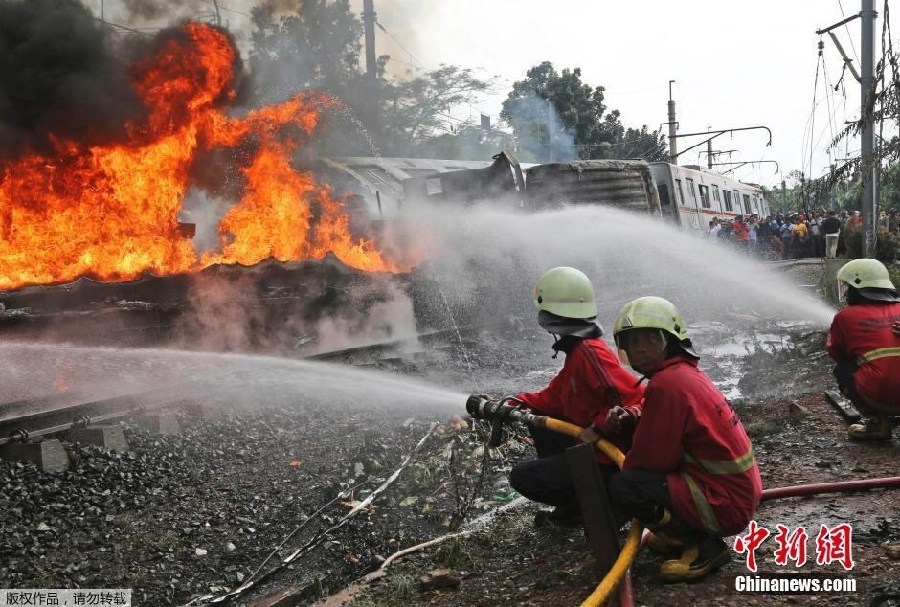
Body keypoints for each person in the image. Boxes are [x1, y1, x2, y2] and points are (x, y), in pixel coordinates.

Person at [606, 296, 762, 582]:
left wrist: (624, 438)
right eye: (629, 341)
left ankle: (702, 545)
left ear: (667, 340)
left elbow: (650, 461)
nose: (635, 349)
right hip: (735, 492)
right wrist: (634, 417)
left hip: (722, 503)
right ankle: (680, 535)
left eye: (646, 340)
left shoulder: (667, 384)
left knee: (625, 486)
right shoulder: (683, 374)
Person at [506, 267, 645, 526]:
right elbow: (550, 399)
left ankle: (602, 503)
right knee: (540, 420)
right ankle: (576, 508)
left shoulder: (590, 354)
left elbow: (634, 401)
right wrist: (513, 403)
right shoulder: (578, 355)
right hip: (595, 453)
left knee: (522, 477)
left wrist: (599, 427)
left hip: (613, 461)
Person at [826, 259, 900, 440]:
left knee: (843, 370)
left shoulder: (845, 317)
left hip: (880, 397)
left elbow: (836, 354)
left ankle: (877, 422)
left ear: (856, 288)